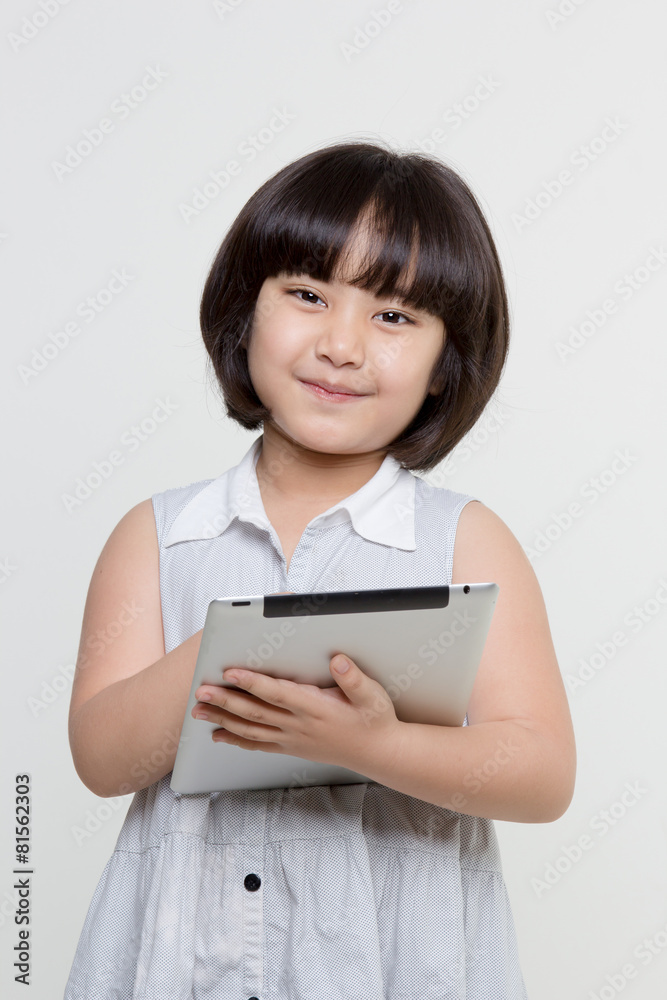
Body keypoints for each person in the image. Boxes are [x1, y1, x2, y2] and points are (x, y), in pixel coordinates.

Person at [63, 139, 576, 999]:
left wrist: (370, 745)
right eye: (306, 295)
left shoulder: (465, 539)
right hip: (181, 960)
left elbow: (538, 772)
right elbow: (100, 758)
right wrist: (215, 660)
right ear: (242, 312)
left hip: (395, 961)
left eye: (394, 317)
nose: (340, 346)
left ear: (446, 363)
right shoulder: (160, 535)